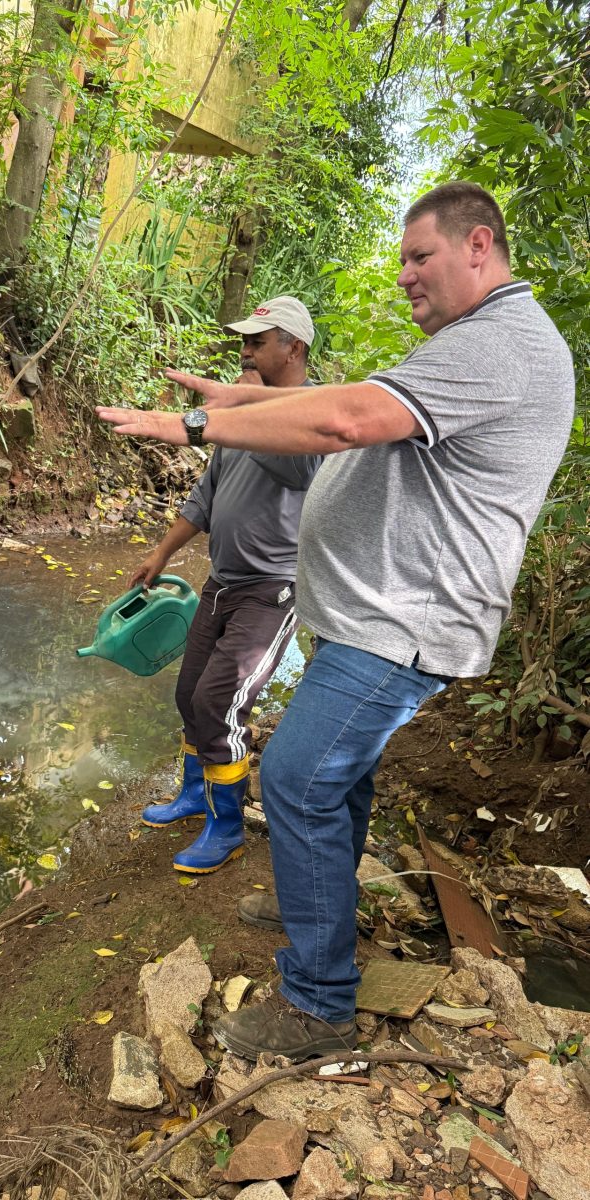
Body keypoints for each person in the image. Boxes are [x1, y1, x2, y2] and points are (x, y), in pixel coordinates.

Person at [97, 182, 575, 1061]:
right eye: (400, 260)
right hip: (370, 619)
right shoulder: (478, 340)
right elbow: (357, 396)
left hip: (407, 626)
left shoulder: (506, 346)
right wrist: (231, 399)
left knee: (296, 780)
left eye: (417, 257)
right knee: (337, 779)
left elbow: (349, 416)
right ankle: (309, 895)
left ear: (479, 246)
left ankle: (318, 1006)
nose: (403, 276)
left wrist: (196, 421)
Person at [133, 296, 322, 873]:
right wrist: (161, 554)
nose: (245, 351)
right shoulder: (236, 424)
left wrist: (243, 416)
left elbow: (300, 471)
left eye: (258, 342)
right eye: (245, 341)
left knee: (220, 701)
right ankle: (195, 794)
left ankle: (227, 824)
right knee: (190, 692)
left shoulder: (315, 411)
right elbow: (206, 498)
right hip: (222, 583)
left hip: (274, 589)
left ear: (293, 347)